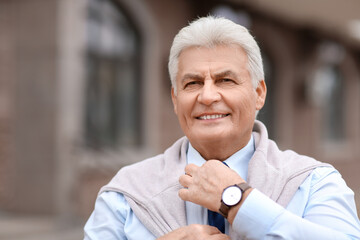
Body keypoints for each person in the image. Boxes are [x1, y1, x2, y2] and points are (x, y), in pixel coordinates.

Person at [84, 16, 360, 239]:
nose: (207, 96)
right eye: (192, 83)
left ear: (259, 93)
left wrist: (239, 202)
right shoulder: (125, 194)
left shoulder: (313, 183)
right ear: (175, 99)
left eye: (225, 80)